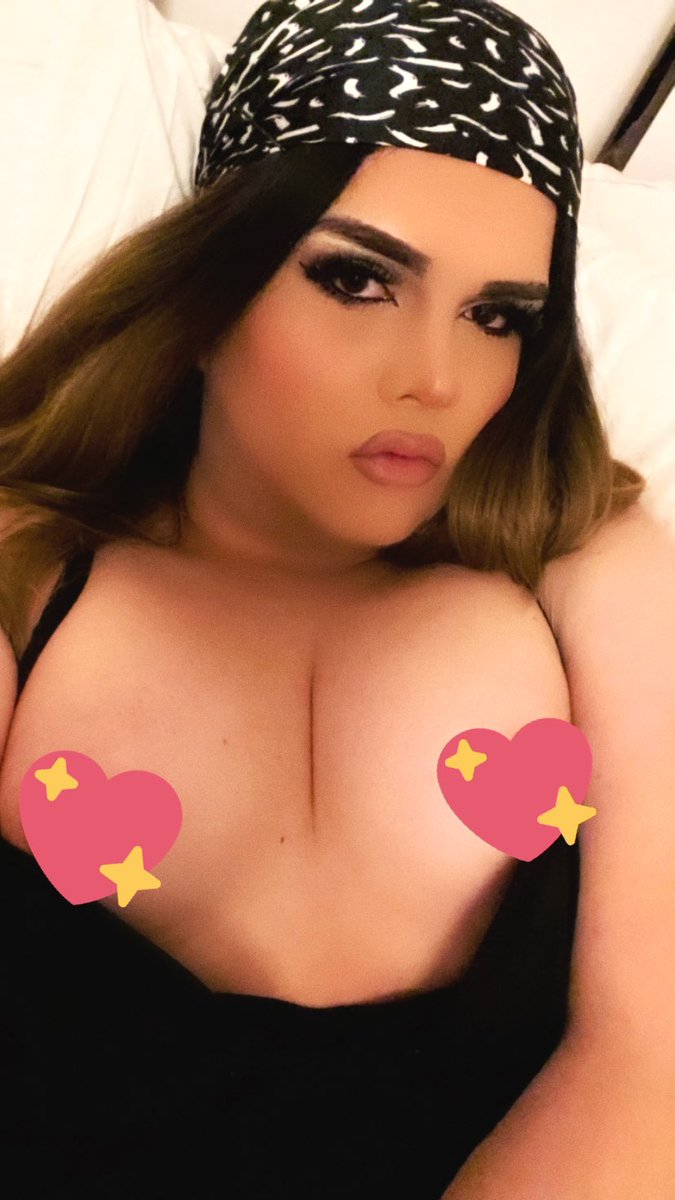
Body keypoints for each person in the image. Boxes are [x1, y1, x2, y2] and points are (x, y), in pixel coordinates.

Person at [0, 2, 673, 1197]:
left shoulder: (594, 566)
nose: (435, 377)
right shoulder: (21, 567)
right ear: (209, 288)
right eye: (357, 279)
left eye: (498, 317)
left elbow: (650, 1064)